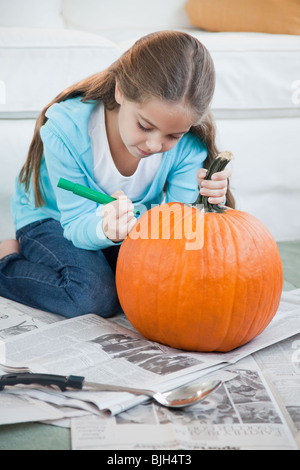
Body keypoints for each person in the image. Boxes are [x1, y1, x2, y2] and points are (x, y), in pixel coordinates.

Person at [0, 31, 234, 318]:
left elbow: (178, 229)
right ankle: (6, 262)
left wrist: (204, 201)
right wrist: (107, 232)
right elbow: (75, 223)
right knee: (93, 296)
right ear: (120, 91)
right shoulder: (66, 132)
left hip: (124, 225)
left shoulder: (188, 148)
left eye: (173, 135)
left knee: (149, 288)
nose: (154, 145)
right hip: (54, 218)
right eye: (145, 126)